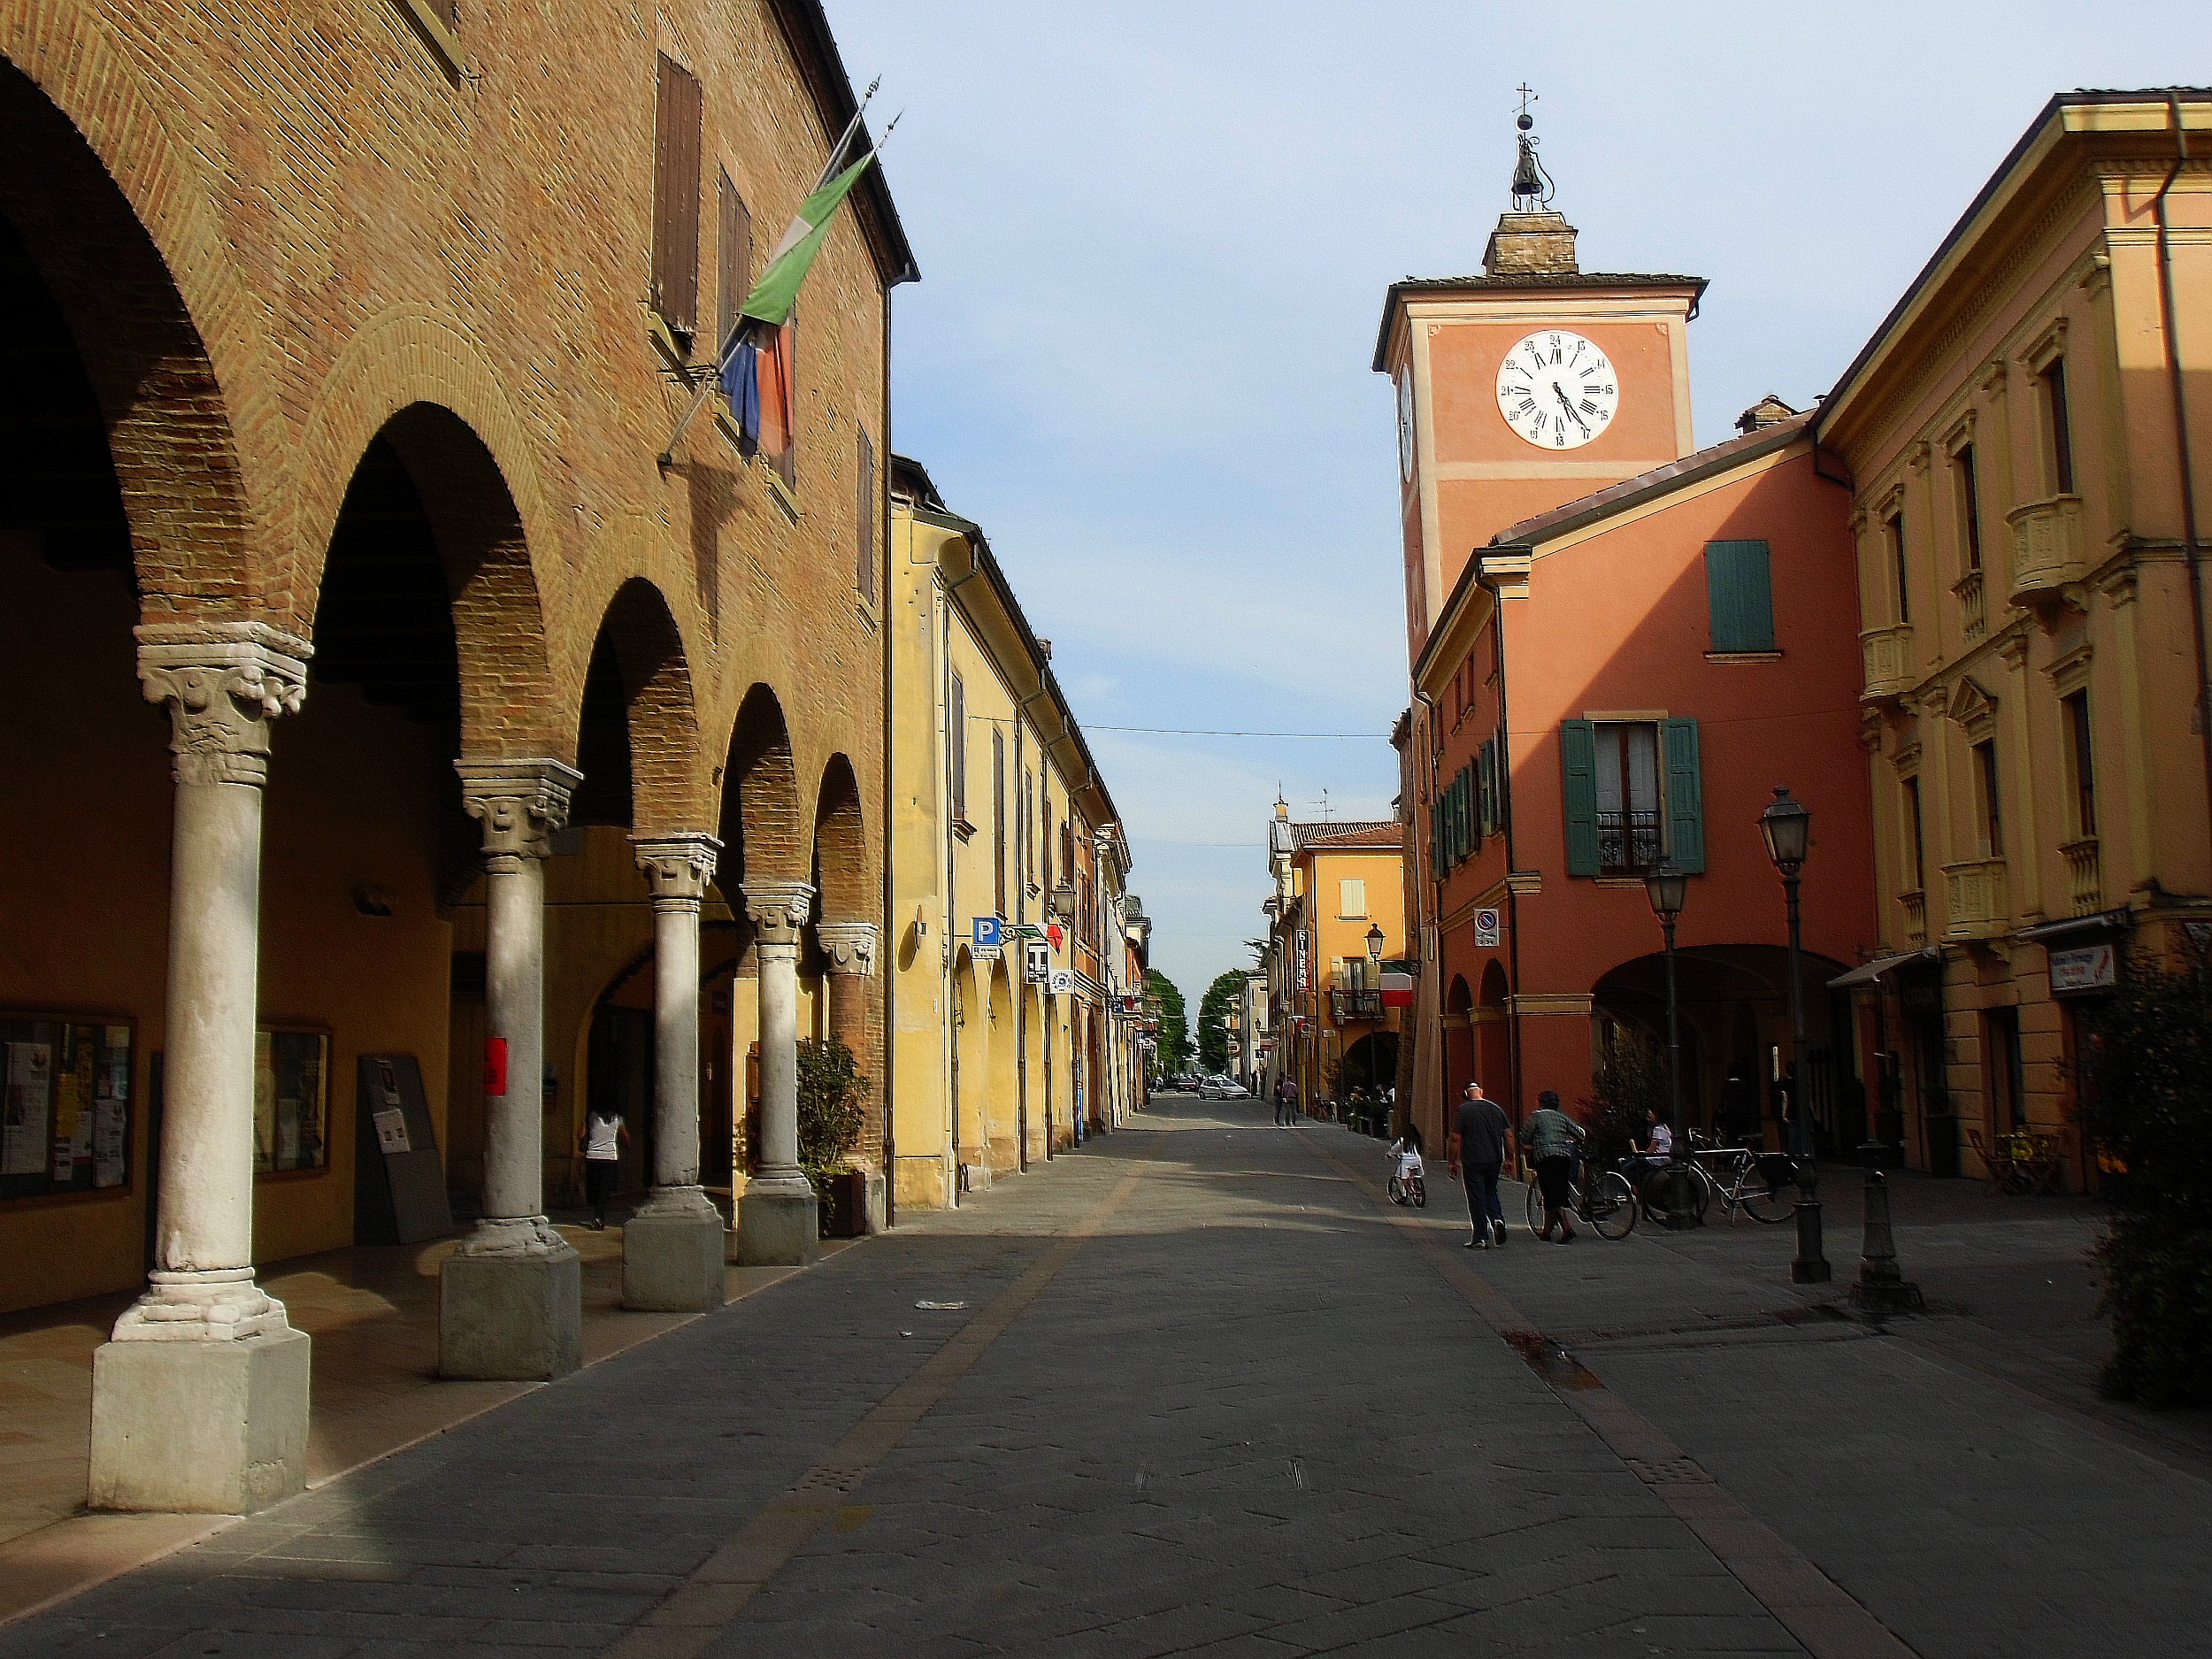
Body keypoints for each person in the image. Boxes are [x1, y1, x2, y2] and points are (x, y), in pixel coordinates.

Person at [1447, 1079, 1511, 1248]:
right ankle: (1497, 1219)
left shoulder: (1463, 1111)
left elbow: (1455, 1139)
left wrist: (1452, 1162)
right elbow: (1509, 1135)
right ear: (1481, 1092)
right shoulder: (1496, 1109)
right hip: (1494, 1159)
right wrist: (1510, 1159)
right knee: (1491, 1192)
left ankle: (1480, 1237)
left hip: (1472, 1161)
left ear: (1465, 1094)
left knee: (1476, 1197)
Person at [1523, 1089, 1586, 1243]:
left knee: (1551, 1194)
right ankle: (1546, 1231)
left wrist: (1531, 1144)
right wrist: (1575, 1141)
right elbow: (1580, 1133)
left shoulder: (1536, 1117)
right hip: (1563, 1157)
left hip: (1545, 1158)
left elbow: (1525, 1136)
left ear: (1540, 1102)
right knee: (1557, 1192)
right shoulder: (1562, 1117)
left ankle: (1567, 1228)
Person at [580, 1105, 627, 1231]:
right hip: (610, 1157)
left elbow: (581, 1134)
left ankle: (597, 1213)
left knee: (595, 1187)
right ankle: (598, 1216)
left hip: (592, 1157)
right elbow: (625, 1137)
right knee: (604, 1189)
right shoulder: (618, 1119)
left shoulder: (591, 1116)